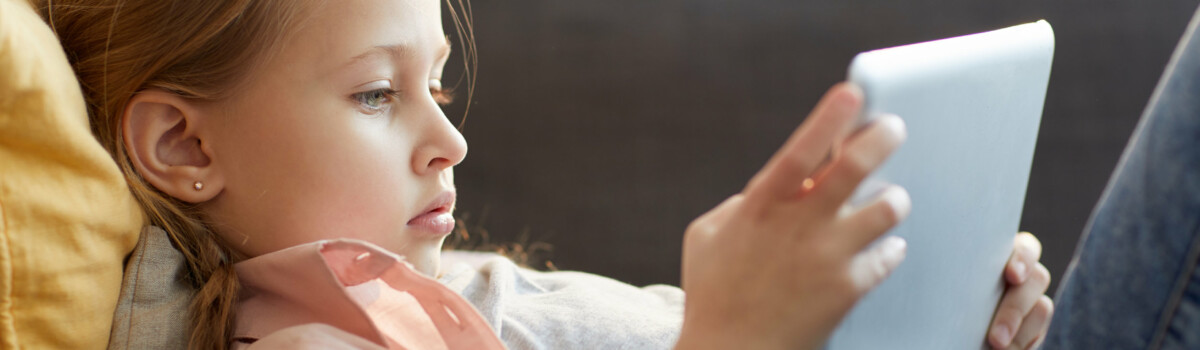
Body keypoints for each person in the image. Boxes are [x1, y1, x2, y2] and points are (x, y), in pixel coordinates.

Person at [35, 0, 1053, 349]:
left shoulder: (435, 299)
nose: (451, 140)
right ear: (184, 147)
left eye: (434, 85)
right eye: (375, 95)